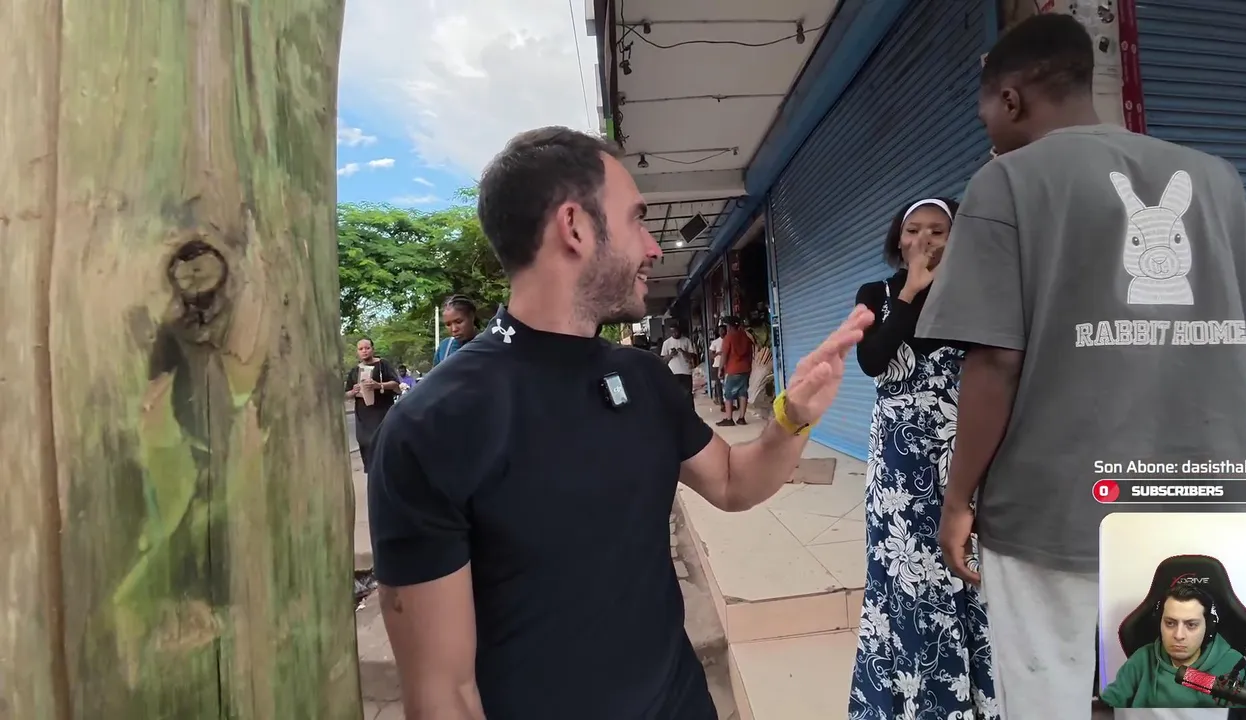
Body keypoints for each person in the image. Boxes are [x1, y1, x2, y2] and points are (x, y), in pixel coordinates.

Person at [365, 126, 874, 720]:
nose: (653, 248)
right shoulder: (432, 426)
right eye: (636, 220)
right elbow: (443, 696)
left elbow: (734, 482)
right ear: (575, 227)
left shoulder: (643, 378)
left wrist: (793, 417)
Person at [914, 14, 1246, 719]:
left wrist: (958, 500)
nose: (984, 123)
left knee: (1045, 688)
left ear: (1011, 98)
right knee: (1181, 698)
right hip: (1202, 497)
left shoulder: (1006, 183)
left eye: (984, 108)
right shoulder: (1216, 179)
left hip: (1054, 508)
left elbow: (996, 362)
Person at [847, 197, 997, 719]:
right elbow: (872, 361)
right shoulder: (876, 294)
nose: (925, 240)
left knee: (966, 570)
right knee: (906, 574)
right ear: (898, 238)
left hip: (962, 453)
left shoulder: (974, 295)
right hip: (897, 467)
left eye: (938, 230)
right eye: (914, 230)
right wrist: (910, 291)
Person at [1101, 584, 1246, 709]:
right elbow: (1105, 707)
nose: (1178, 635)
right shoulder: (1140, 661)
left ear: (1208, 628)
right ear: (1159, 623)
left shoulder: (1240, 668)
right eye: (1170, 623)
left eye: (1191, 625)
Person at [344, 338, 401, 471]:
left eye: (367, 348)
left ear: (373, 349)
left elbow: (395, 384)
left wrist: (378, 385)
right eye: (361, 349)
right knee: (366, 445)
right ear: (357, 352)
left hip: (382, 412)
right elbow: (346, 394)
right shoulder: (354, 371)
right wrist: (353, 391)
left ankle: (389, 473)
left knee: (383, 443)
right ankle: (372, 475)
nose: (364, 351)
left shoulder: (383, 365)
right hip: (363, 416)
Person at [717, 317, 752, 427]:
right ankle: (742, 418)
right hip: (745, 369)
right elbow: (751, 354)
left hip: (733, 370)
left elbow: (724, 355)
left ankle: (729, 418)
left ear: (730, 326)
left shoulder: (728, 338)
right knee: (743, 392)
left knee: (728, 394)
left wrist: (720, 368)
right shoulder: (745, 337)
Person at [433, 295, 480, 367]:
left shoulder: (487, 345)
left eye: (459, 322)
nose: (454, 329)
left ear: (472, 316)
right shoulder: (444, 347)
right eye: (448, 324)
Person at [661, 323, 697, 401]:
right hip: (673, 372)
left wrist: (683, 352)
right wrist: (671, 355)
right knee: (674, 394)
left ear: (679, 330)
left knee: (688, 394)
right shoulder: (666, 343)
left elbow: (692, 356)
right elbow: (663, 360)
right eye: (672, 332)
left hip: (686, 372)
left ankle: (689, 408)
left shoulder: (686, 341)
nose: (674, 334)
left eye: (676, 331)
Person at [708, 324, 726, 405]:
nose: (722, 332)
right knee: (719, 385)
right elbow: (711, 356)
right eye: (720, 330)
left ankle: (728, 402)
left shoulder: (728, 340)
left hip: (727, 365)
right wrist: (718, 353)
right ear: (718, 332)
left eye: (723, 330)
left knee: (727, 385)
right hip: (717, 365)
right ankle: (721, 403)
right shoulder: (715, 342)